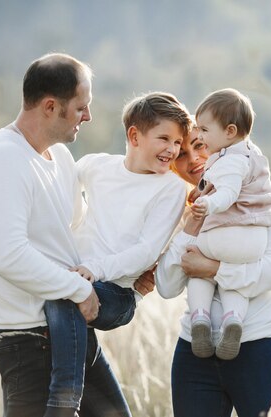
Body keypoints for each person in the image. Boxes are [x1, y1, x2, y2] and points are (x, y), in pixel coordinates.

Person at [0, 53, 125, 417]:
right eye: (81, 108)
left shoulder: (61, 158)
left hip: (71, 333)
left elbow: (76, 233)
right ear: (51, 107)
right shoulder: (3, 159)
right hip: (29, 343)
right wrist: (79, 289)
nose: (88, 117)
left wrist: (124, 267)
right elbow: (6, 254)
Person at [43, 91, 191, 415]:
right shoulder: (97, 166)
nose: (172, 149)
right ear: (134, 135)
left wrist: (93, 268)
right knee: (77, 333)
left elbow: (147, 251)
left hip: (118, 295)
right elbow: (57, 185)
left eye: (178, 142)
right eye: (164, 138)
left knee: (64, 291)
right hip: (80, 279)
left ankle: (62, 405)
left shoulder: (170, 189)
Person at [156, 121, 271, 416]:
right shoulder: (180, 209)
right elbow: (168, 286)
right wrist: (190, 227)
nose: (193, 158)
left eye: (199, 145)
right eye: (181, 154)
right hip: (196, 350)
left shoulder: (260, 193)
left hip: (260, 343)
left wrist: (212, 269)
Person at [187, 88, 271, 360]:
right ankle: (233, 318)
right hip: (254, 240)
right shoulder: (253, 156)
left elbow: (227, 193)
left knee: (198, 265)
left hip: (225, 236)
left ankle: (200, 318)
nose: (199, 137)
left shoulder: (230, 162)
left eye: (204, 130)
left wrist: (207, 204)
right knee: (232, 279)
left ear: (229, 131)